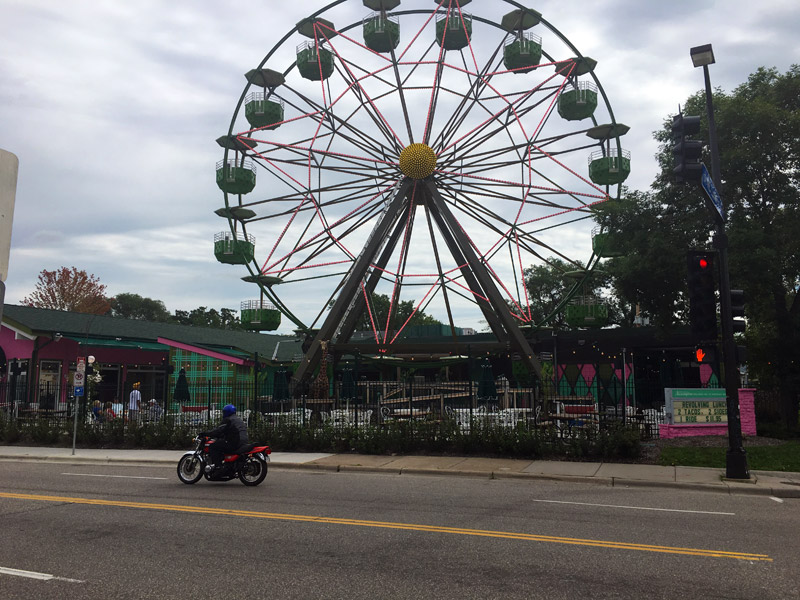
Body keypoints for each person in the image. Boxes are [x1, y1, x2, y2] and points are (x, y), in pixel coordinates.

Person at [201, 404, 249, 474]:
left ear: (227, 412)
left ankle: (218, 466)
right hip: (244, 441)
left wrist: (206, 433)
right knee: (222, 444)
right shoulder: (238, 419)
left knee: (213, 447)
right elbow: (227, 431)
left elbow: (219, 430)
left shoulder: (228, 420)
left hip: (236, 441)